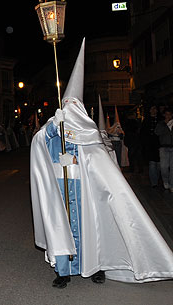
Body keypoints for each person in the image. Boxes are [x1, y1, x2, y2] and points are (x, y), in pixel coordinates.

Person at [30, 38, 173, 288]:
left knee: (93, 228)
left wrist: (81, 159)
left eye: (75, 106)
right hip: (59, 189)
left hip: (86, 190)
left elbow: (99, 159)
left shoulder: (89, 131)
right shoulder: (53, 128)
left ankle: (96, 266)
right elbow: (38, 142)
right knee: (60, 227)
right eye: (67, 106)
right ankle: (63, 271)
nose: (71, 110)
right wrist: (54, 126)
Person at [140, 105, 161, 187]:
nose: (153, 110)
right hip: (149, 145)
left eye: (155, 109)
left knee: (159, 165)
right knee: (152, 163)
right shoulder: (146, 120)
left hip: (159, 144)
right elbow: (143, 133)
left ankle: (157, 179)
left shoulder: (160, 120)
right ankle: (154, 182)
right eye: (152, 109)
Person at [155, 109, 173, 192]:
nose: (168, 116)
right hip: (163, 147)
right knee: (164, 167)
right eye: (166, 114)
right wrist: (165, 124)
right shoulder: (161, 124)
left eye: (169, 114)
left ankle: (172, 184)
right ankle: (165, 181)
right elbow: (157, 132)